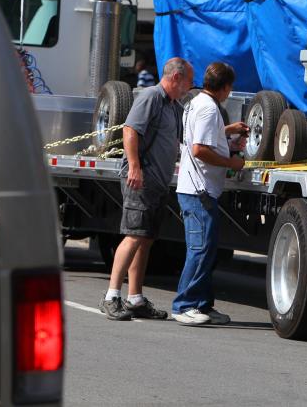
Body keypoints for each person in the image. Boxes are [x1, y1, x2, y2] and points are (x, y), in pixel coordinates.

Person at [100, 57, 194, 321]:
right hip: (141, 180)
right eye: (189, 80)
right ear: (176, 78)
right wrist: (134, 167)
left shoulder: (173, 105)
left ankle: (135, 297)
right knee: (132, 236)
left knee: (144, 239)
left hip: (157, 182)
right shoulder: (152, 97)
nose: (190, 86)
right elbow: (130, 129)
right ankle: (111, 296)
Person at [172, 61, 248, 326]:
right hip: (198, 190)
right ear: (225, 87)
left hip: (199, 189)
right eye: (230, 87)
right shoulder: (207, 109)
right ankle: (184, 305)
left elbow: (200, 136)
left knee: (207, 249)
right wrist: (232, 163)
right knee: (200, 249)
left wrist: (228, 131)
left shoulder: (198, 102)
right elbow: (198, 149)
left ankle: (203, 303)